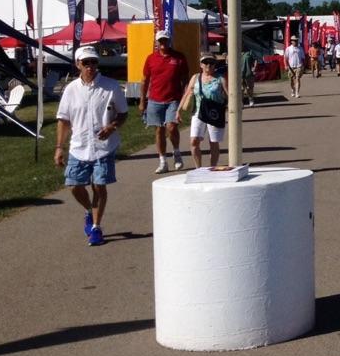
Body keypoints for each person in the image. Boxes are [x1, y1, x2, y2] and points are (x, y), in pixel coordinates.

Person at [55, 45, 128, 246]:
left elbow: (123, 114)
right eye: (86, 62)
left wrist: (112, 127)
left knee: (98, 185)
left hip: (103, 146)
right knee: (73, 185)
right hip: (79, 146)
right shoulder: (70, 90)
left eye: (93, 62)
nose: (90, 66)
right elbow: (63, 120)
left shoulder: (111, 86)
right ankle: (89, 210)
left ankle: (96, 228)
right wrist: (59, 148)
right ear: (78, 64)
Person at [140, 29, 189, 174]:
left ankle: (177, 152)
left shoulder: (179, 58)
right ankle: (163, 161)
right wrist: (142, 101)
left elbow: (185, 79)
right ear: (157, 42)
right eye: (160, 41)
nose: (163, 43)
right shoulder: (151, 59)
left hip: (173, 99)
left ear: (169, 41)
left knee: (171, 127)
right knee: (159, 130)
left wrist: (186, 97)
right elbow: (145, 80)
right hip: (155, 100)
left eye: (165, 40)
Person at [180, 53, 228, 167]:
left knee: (213, 142)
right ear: (201, 64)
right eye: (205, 62)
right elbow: (187, 94)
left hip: (214, 113)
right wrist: (178, 111)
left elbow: (228, 94)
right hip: (198, 113)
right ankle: (198, 168)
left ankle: (213, 167)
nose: (208, 65)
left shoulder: (220, 78)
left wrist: (232, 108)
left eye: (211, 63)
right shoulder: (195, 77)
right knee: (194, 141)